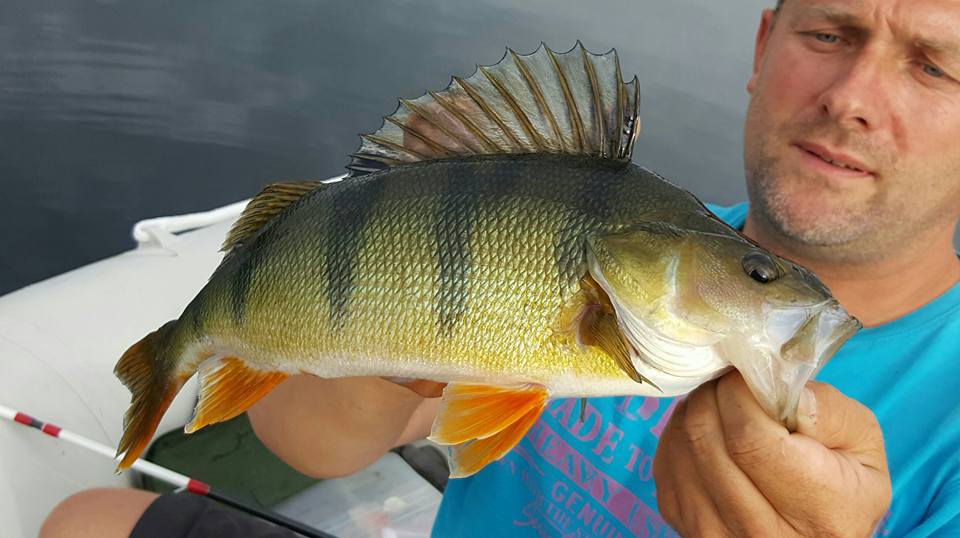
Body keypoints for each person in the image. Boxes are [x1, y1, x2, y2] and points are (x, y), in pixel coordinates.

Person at [40, 0, 960, 536]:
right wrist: (407, 328)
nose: (851, 98)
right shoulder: (664, 232)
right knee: (85, 521)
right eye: (830, 33)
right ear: (763, 48)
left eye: (935, 67)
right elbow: (313, 450)